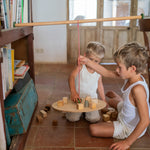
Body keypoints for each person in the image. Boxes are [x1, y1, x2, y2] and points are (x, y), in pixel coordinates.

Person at [79, 42, 150, 150]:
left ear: (132, 68)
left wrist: (127, 143)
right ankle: (120, 101)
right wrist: (87, 61)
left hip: (129, 128)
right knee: (111, 102)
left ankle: (120, 102)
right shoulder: (130, 75)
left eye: (119, 67)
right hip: (126, 113)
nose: (116, 70)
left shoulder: (138, 89)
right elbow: (106, 73)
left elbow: (145, 121)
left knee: (93, 129)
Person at [66, 41, 107, 123]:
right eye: (90, 59)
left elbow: (100, 86)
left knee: (94, 119)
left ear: (100, 60)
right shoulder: (80, 66)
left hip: (91, 99)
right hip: (78, 98)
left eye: (96, 61)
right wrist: (73, 92)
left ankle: (85, 112)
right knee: (72, 119)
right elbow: (71, 77)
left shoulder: (99, 71)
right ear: (85, 56)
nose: (92, 63)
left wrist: (103, 99)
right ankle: (75, 112)